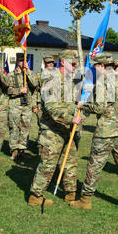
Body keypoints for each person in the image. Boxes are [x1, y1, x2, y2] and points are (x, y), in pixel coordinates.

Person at [70, 53, 118, 214]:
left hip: (107, 131)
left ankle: (85, 199)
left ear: (102, 65)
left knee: (94, 166)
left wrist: (83, 105)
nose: (94, 68)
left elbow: (100, 108)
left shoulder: (103, 81)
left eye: (95, 65)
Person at [28, 49, 83, 207]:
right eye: (72, 64)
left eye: (76, 64)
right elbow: (51, 107)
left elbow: (74, 103)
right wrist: (70, 118)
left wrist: (80, 111)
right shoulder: (51, 79)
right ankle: (35, 196)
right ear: (62, 63)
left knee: (71, 162)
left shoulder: (72, 80)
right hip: (52, 130)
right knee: (48, 164)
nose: (74, 67)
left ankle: (70, 193)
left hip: (69, 129)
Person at [7, 52, 39, 161]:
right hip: (15, 105)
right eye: (21, 61)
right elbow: (8, 90)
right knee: (14, 128)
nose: (23, 63)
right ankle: (14, 151)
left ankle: (22, 150)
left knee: (25, 128)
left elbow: (35, 84)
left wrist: (28, 71)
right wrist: (19, 90)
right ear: (17, 61)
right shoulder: (11, 75)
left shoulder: (30, 74)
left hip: (27, 106)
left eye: (25, 60)